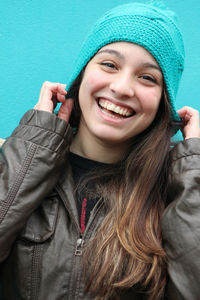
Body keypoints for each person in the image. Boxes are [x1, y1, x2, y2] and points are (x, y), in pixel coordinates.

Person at [0, 2, 199, 300]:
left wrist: (193, 168)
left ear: (162, 102)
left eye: (147, 77)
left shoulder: (177, 193)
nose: (121, 88)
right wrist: (33, 148)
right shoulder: (14, 162)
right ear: (82, 73)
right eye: (109, 64)